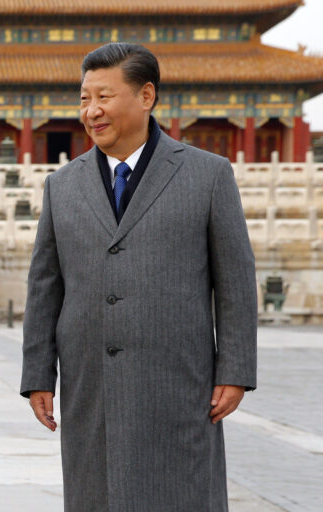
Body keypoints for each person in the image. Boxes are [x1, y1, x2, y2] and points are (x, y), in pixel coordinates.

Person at [20, 42, 257, 511]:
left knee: (181, 495)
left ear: (146, 96)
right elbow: (45, 284)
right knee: (97, 496)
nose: (91, 111)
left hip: (178, 381)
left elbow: (235, 278)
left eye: (103, 97)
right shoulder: (62, 185)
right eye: (84, 98)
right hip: (91, 383)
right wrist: (37, 374)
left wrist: (235, 370)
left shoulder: (207, 174)